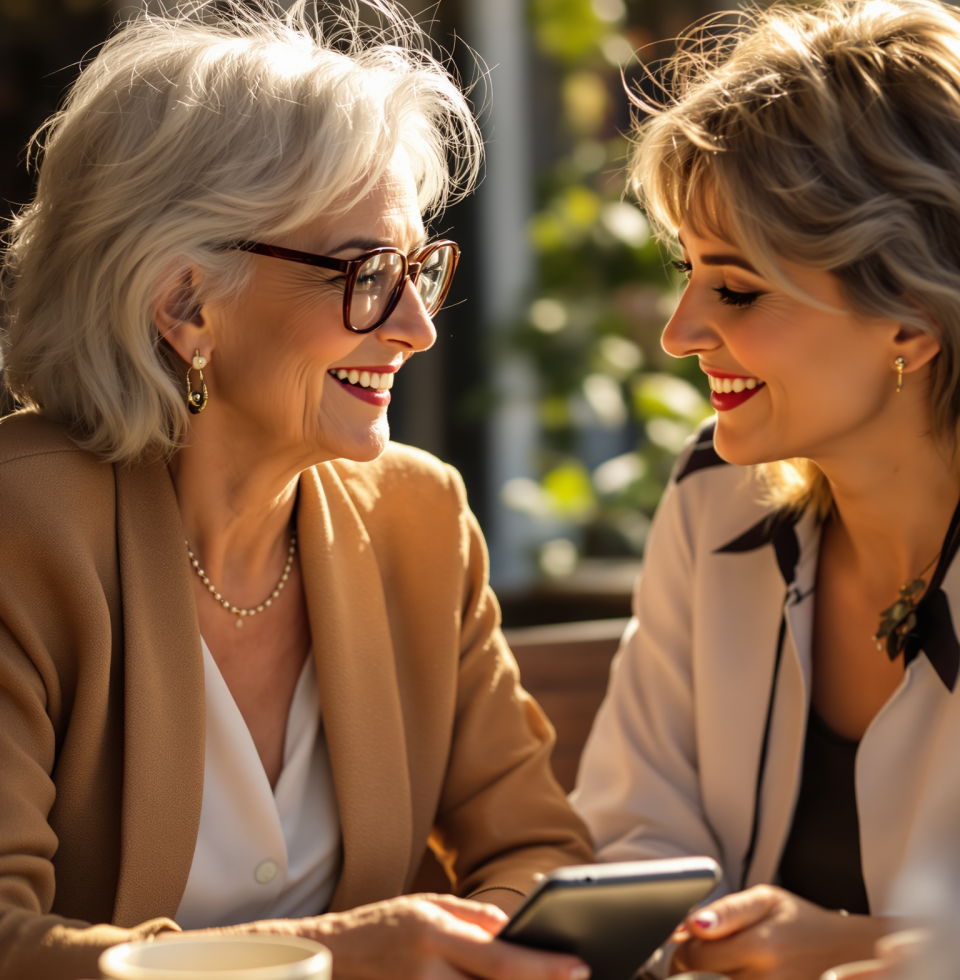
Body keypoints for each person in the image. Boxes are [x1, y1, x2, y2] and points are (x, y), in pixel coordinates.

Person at [0, 3, 595, 978]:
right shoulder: (21, 530)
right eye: (366, 273)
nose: (415, 327)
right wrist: (337, 957)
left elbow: (538, 854)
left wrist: (474, 943)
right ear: (188, 305)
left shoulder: (421, 518)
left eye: (418, 271)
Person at [570, 0, 960, 977]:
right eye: (688, 272)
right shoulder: (716, 497)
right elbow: (633, 842)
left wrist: (863, 951)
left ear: (911, 317)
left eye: (735, 287)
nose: (679, 332)